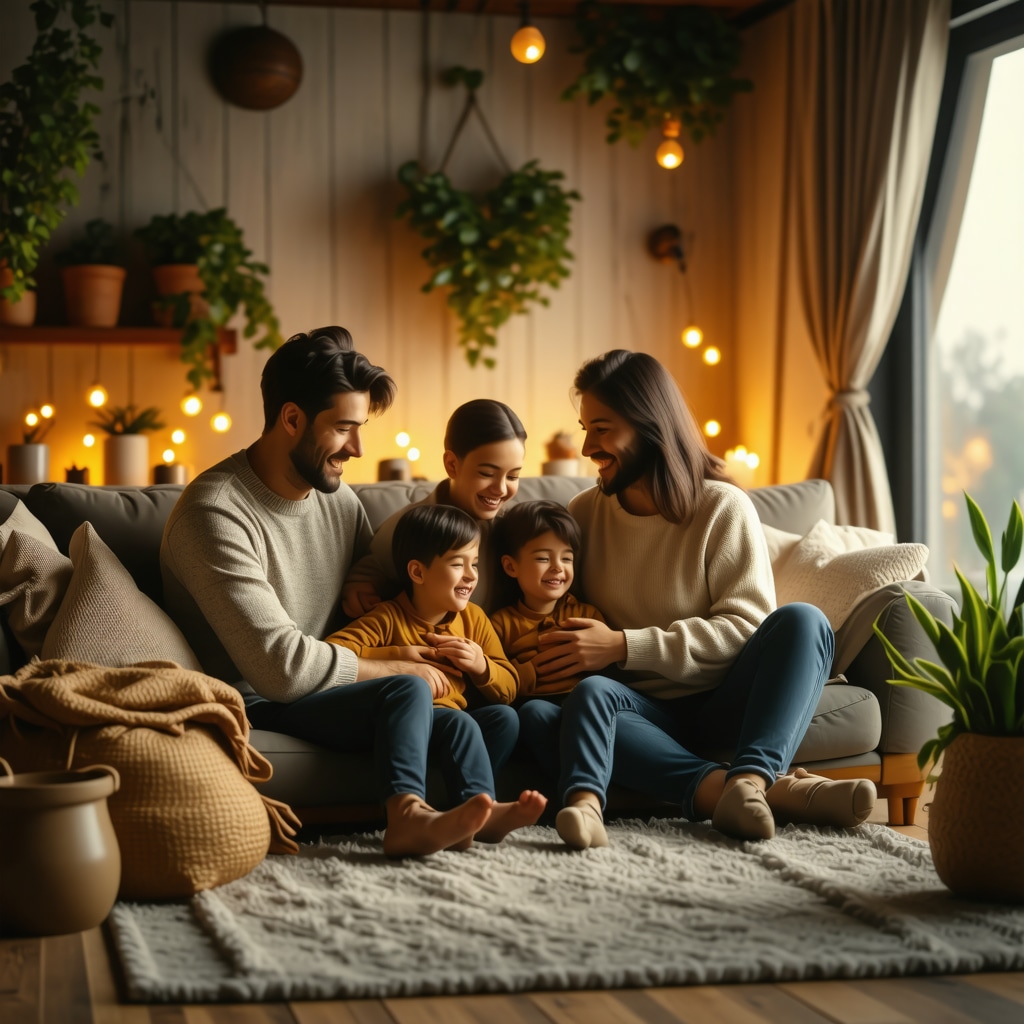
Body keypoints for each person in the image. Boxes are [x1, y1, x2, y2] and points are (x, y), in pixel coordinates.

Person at [518, 349, 876, 850]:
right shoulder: (583, 514)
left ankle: (751, 781)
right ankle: (759, 795)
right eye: (585, 428)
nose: (588, 446)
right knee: (573, 705)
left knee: (804, 622)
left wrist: (625, 645)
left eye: (602, 428)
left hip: (725, 695)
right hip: (638, 710)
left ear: (648, 425)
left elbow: (745, 627)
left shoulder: (722, 508)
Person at [160, 326, 498, 857]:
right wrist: (394, 663)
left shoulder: (336, 501)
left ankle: (478, 811)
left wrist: (368, 581)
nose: (358, 448)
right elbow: (280, 669)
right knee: (408, 688)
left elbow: (396, 582)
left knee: (475, 714)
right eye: (343, 428)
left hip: (338, 691)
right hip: (260, 699)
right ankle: (407, 818)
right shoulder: (216, 514)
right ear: (292, 419)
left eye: (360, 427)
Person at [325, 503, 547, 842]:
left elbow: (510, 688)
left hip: (448, 731)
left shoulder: (473, 619)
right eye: (458, 564)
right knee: (460, 721)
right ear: (417, 572)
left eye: (474, 563)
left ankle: (463, 811)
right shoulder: (388, 617)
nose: (472, 575)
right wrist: (398, 655)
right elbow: (332, 654)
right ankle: (478, 811)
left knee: (505, 718)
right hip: (407, 724)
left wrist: (481, 666)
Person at [344, 399, 526, 616]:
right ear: (452, 464)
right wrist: (359, 590)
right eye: (486, 474)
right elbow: (367, 573)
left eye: (513, 476)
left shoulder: (519, 525)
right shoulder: (412, 525)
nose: (501, 489)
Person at [490, 500, 606, 700]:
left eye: (566, 559)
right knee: (536, 710)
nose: (558, 567)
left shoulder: (586, 616)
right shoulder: (500, 624)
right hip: (531, 705)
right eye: (543, 558)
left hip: (583, 703)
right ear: (511, 567)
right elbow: (495, 678)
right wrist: (528, 672)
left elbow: (604, 671)